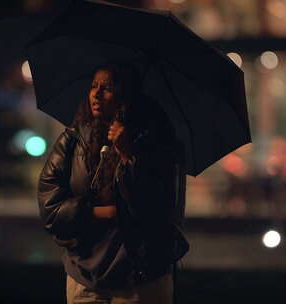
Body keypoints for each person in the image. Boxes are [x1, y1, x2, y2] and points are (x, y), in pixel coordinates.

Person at [37, 63, 189, 304]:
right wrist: (100, 213)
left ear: (126, 95)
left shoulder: (159, 143)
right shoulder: (73, 140)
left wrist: (130, 154)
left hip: (142, 279)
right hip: (85, 277)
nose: (96, 94)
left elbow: (160, 207)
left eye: (107, 88)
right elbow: (50, 209)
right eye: (93, 86)